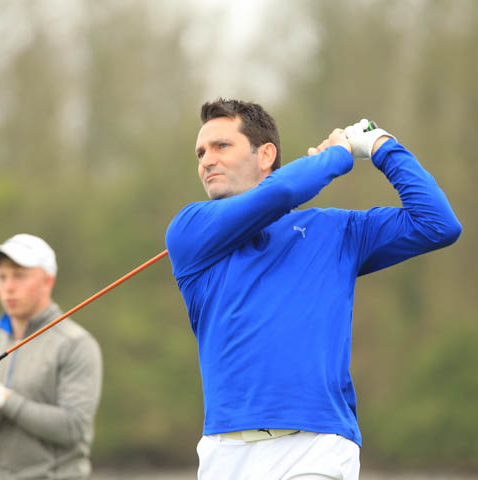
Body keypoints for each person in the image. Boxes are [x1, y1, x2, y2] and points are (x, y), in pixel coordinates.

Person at [165, 99, 462, 479]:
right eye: (201, 153)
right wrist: (337, 155)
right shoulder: (190, 230)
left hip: (316, 447)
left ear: (265, 155)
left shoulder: (337, 231)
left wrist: (380, 146)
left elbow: (437, 224)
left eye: (221, 146)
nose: (207, 160)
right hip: (226, 451)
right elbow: (282, 192)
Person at [0, 233, 103, 480]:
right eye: (2, 277)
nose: (8, 287)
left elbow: (74, 427)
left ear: (48, 281)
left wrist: (3, 399)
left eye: (19, 275)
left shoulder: (76, 345)